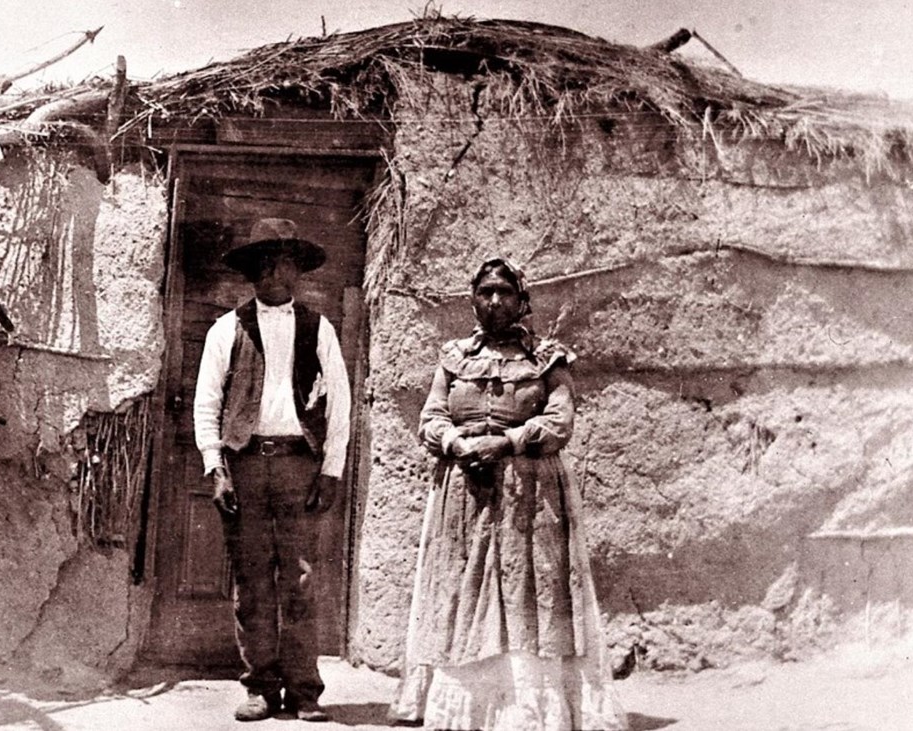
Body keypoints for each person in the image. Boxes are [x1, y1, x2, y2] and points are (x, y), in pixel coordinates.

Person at [390, 258, 624, 730]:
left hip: (529, 492)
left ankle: (525, 711)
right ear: (472, 298)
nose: (494, 301)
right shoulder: (453, 357)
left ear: (522, 300)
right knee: (462, 588)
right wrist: (458, 443)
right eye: (485, 292)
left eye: (504, 292)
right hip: (464, 490)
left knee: (525, 590)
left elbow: (560, 421)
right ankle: (464, 707)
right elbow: (431, 418)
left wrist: (508, 442)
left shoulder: (548, 359)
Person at [193, 218, 352, 723]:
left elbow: (342, 405)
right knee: (252, 581)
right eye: (264, 263)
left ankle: (305, 690)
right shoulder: (227, 329)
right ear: (252, 273)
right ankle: (260, 686)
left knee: (301, 580)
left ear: (298, 271)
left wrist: (331, 470)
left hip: (298, 468)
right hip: (245, 468)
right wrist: (215, 467)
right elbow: (206, 405)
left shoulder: (318, 327)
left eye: (284, 263)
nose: (275, 274)